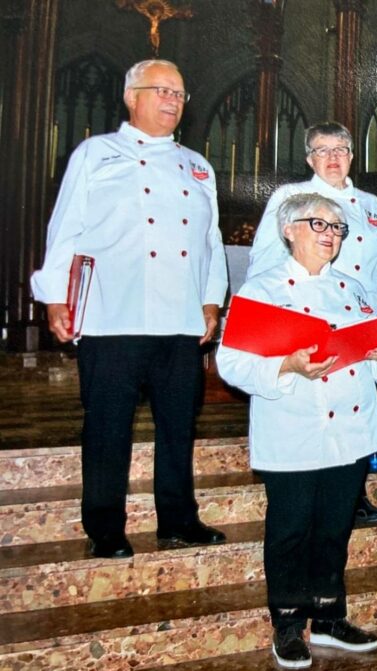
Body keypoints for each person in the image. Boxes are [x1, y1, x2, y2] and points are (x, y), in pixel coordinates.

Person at [30, 59, 227, 559]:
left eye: (179, 94)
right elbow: (65, 227)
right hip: (112, 313)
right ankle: (105, 527)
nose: (172, 101)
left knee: (178, 425)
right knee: (107, 426)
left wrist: (211, 302)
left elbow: (211, 240)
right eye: (161, 90)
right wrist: (54, 295)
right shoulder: (96, 153)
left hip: (180, 319)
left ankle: (178, 518)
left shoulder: (196, 165)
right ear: (131, 96)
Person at [217, 193, 377, 668]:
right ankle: (288, 623)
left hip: (351, 430)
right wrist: (286, 366)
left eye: (337, 228)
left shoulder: (354, 290)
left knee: (334, 528)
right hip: (293, 431)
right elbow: (230, 363)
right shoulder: (261, 289)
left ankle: (329, 617)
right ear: (289, 230)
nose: (330, 235)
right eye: (319, 224)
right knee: (291, 531)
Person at [248, 121, 377, 525]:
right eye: (323, 150)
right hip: (306, 322)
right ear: (309, 158)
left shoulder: (372, 205)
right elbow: (264, 262)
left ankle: (353, 492)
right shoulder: (290, 198)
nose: (333, 157)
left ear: (352, 156)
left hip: (359, 320)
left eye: (341, 149)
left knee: (354, 409)